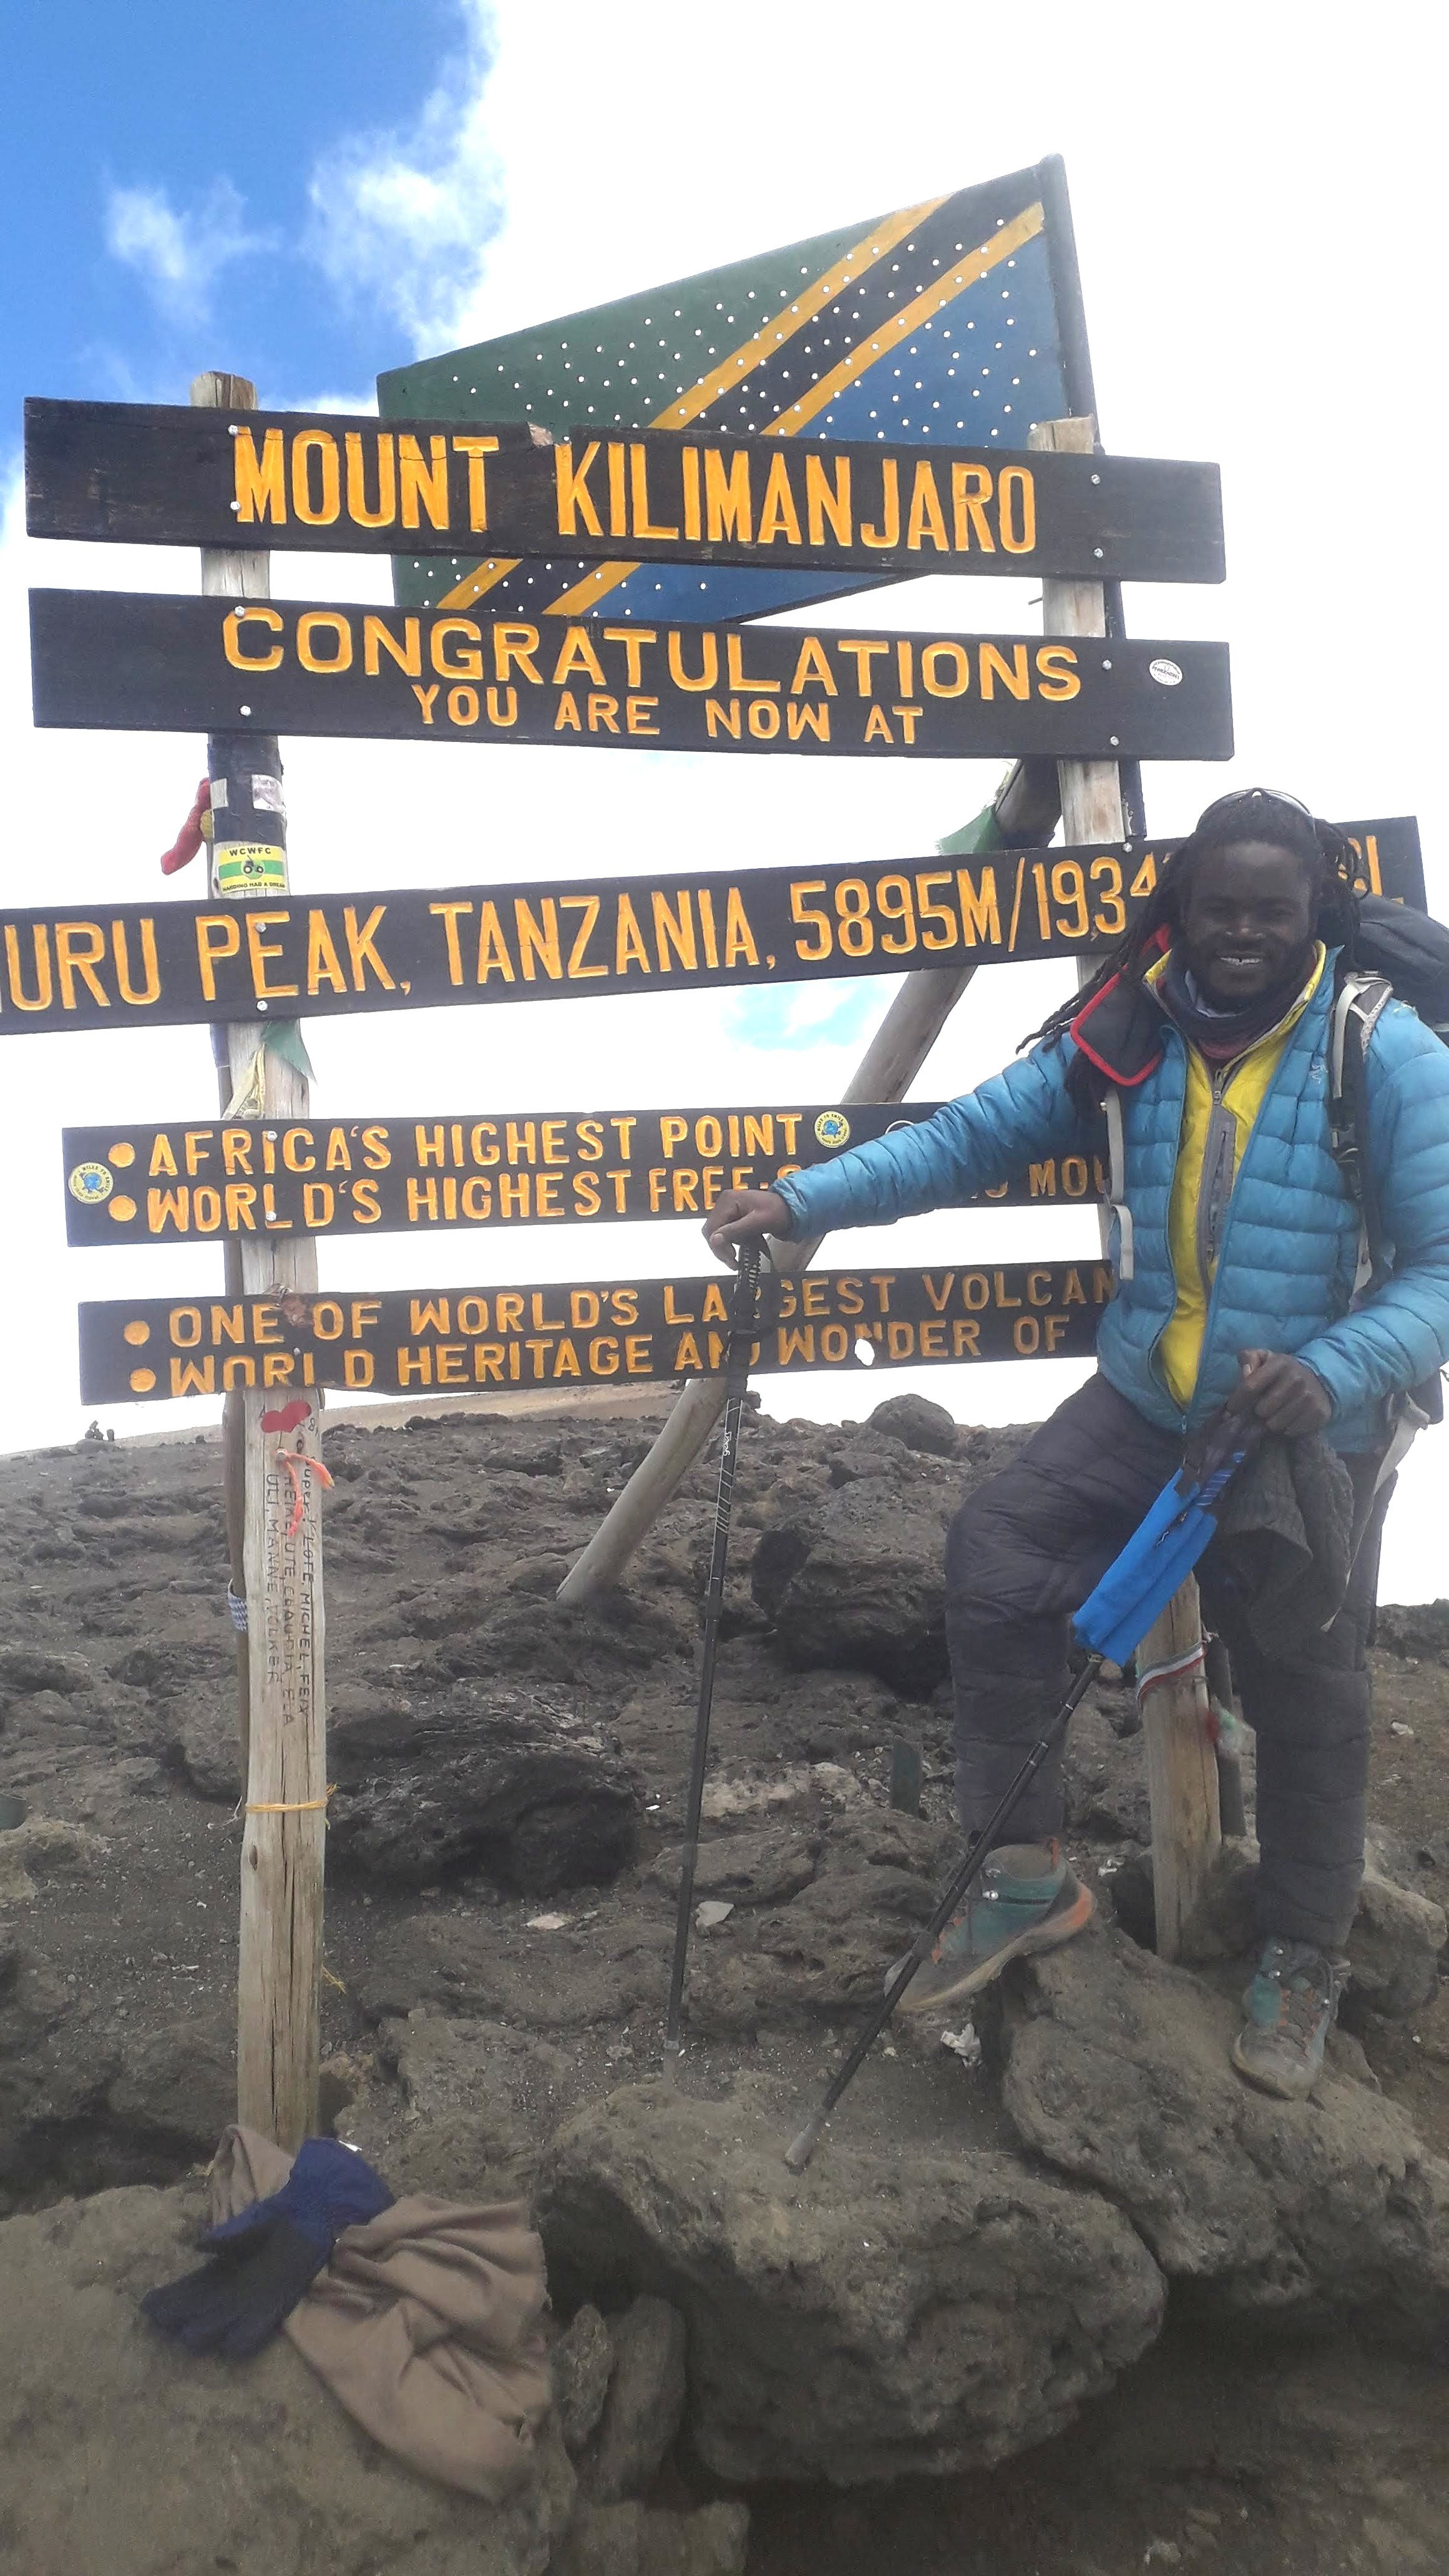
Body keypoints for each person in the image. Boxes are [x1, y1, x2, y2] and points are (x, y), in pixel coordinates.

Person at [704, 790, 1449, 2100]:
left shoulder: (1381, 1054)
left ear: (1316, 913)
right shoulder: (1136, 1024)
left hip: (1302, 1434)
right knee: (996, 1557)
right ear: (1182, 906)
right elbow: (972, 1134)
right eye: (1218, 907)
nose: (1241, 934)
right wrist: (803, 1196)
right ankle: (1028, 1876)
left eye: (1272, 912)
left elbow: (1443, 1270)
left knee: (1308, 1697)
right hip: (1148, 1408)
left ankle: (1304, 1953)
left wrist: (1330, 1372)